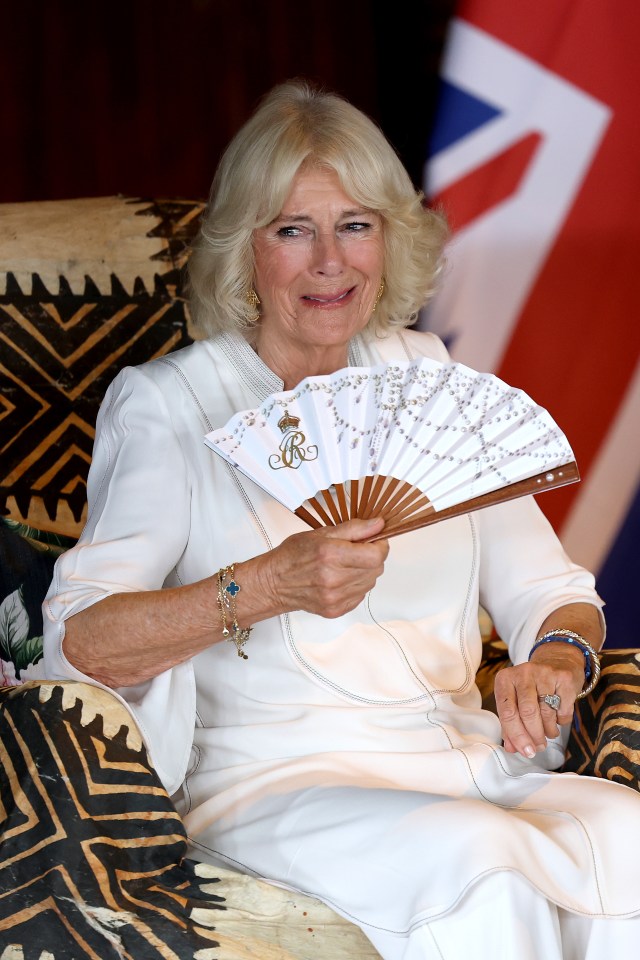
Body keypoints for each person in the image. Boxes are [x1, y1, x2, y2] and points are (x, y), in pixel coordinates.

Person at [43, 79, 640, 959]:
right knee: (484, 867)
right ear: (245, 251)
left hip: (468, 757)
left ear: (389, 240)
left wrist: (554, 657)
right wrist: (262, 586)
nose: (331, 261)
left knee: (627, 836)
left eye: (355, 225)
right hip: (275, 780)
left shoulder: (432, 378)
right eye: (294, 230)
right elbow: (81, 642)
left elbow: (556, 595)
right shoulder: (167, 407)